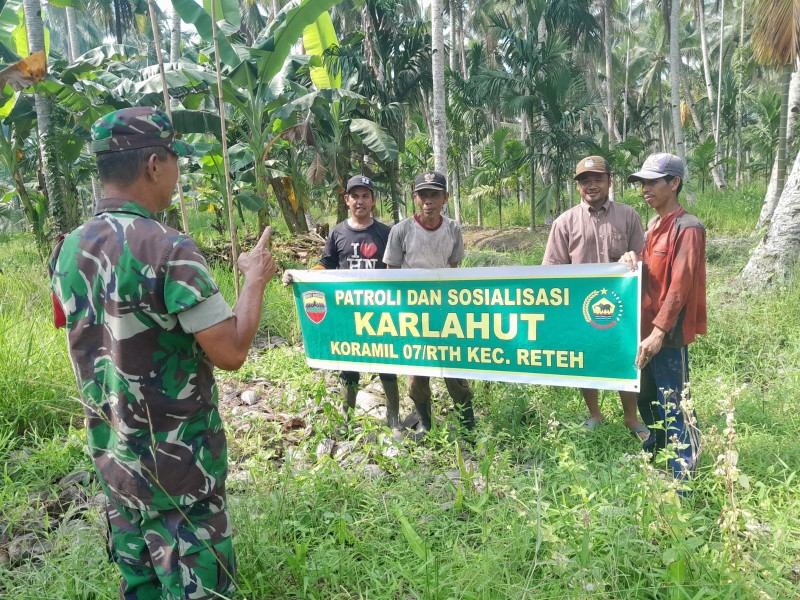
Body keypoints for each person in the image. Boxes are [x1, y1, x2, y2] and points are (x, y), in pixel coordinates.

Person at [49, 107, 277, 599]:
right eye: (176, 161)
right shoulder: (169, 248)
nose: (176, 174)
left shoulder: (66, 250)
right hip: (179, 472)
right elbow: (231, 350)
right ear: (154, 164)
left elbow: (86, 332)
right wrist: (254, 278)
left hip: (117, 467)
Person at [542, 155, 649, 440]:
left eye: (597, 179)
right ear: (578, 186)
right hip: (580, 307)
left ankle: (630, 418)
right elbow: (551, 268)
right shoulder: (565, 222)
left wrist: (634, 257)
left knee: (625, 357)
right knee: (585, 359)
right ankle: (594, 413)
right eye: (585, 181)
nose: (591, 185)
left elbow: (645, 257)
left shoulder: (628, 216)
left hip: (621, 307)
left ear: (609, 182)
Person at [283, 175, 401, 432]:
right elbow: (327, 264)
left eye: (365, 196)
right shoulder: (338, 232)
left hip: (380, 312)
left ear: (373, 200)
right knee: (349, 366)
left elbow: (396, 269)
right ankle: (346, 419)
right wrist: (301, 276)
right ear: (347, 200)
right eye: (355, 196)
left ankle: (394, 418)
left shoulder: (385, 232)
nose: (360, 201)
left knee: (387, 363)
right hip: (348, 314)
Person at [621, 152, 706, 479]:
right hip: (643, 329)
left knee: (673, 401)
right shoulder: (654, 224)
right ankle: (657, 451)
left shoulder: (688, 227)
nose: (644, 188)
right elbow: (651, 273)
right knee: (645, 395)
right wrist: (631, 257)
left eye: (652, 182)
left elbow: (680, 286)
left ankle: (684, 471)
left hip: (667, 336)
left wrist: (658, 333)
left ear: (674, 183)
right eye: (642, 182)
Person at [383, 170, 475, 436]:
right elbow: (392, 275)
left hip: (445, 312)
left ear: (445, 198)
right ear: (415, 198)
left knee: (454, 369)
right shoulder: (401, 230)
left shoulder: (453, 228)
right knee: (417, 374)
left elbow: (454, 269)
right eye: (423, 195)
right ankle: (425, 423)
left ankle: (468, 425)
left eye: (434, 195)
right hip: (413, 312)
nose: (428, 201)